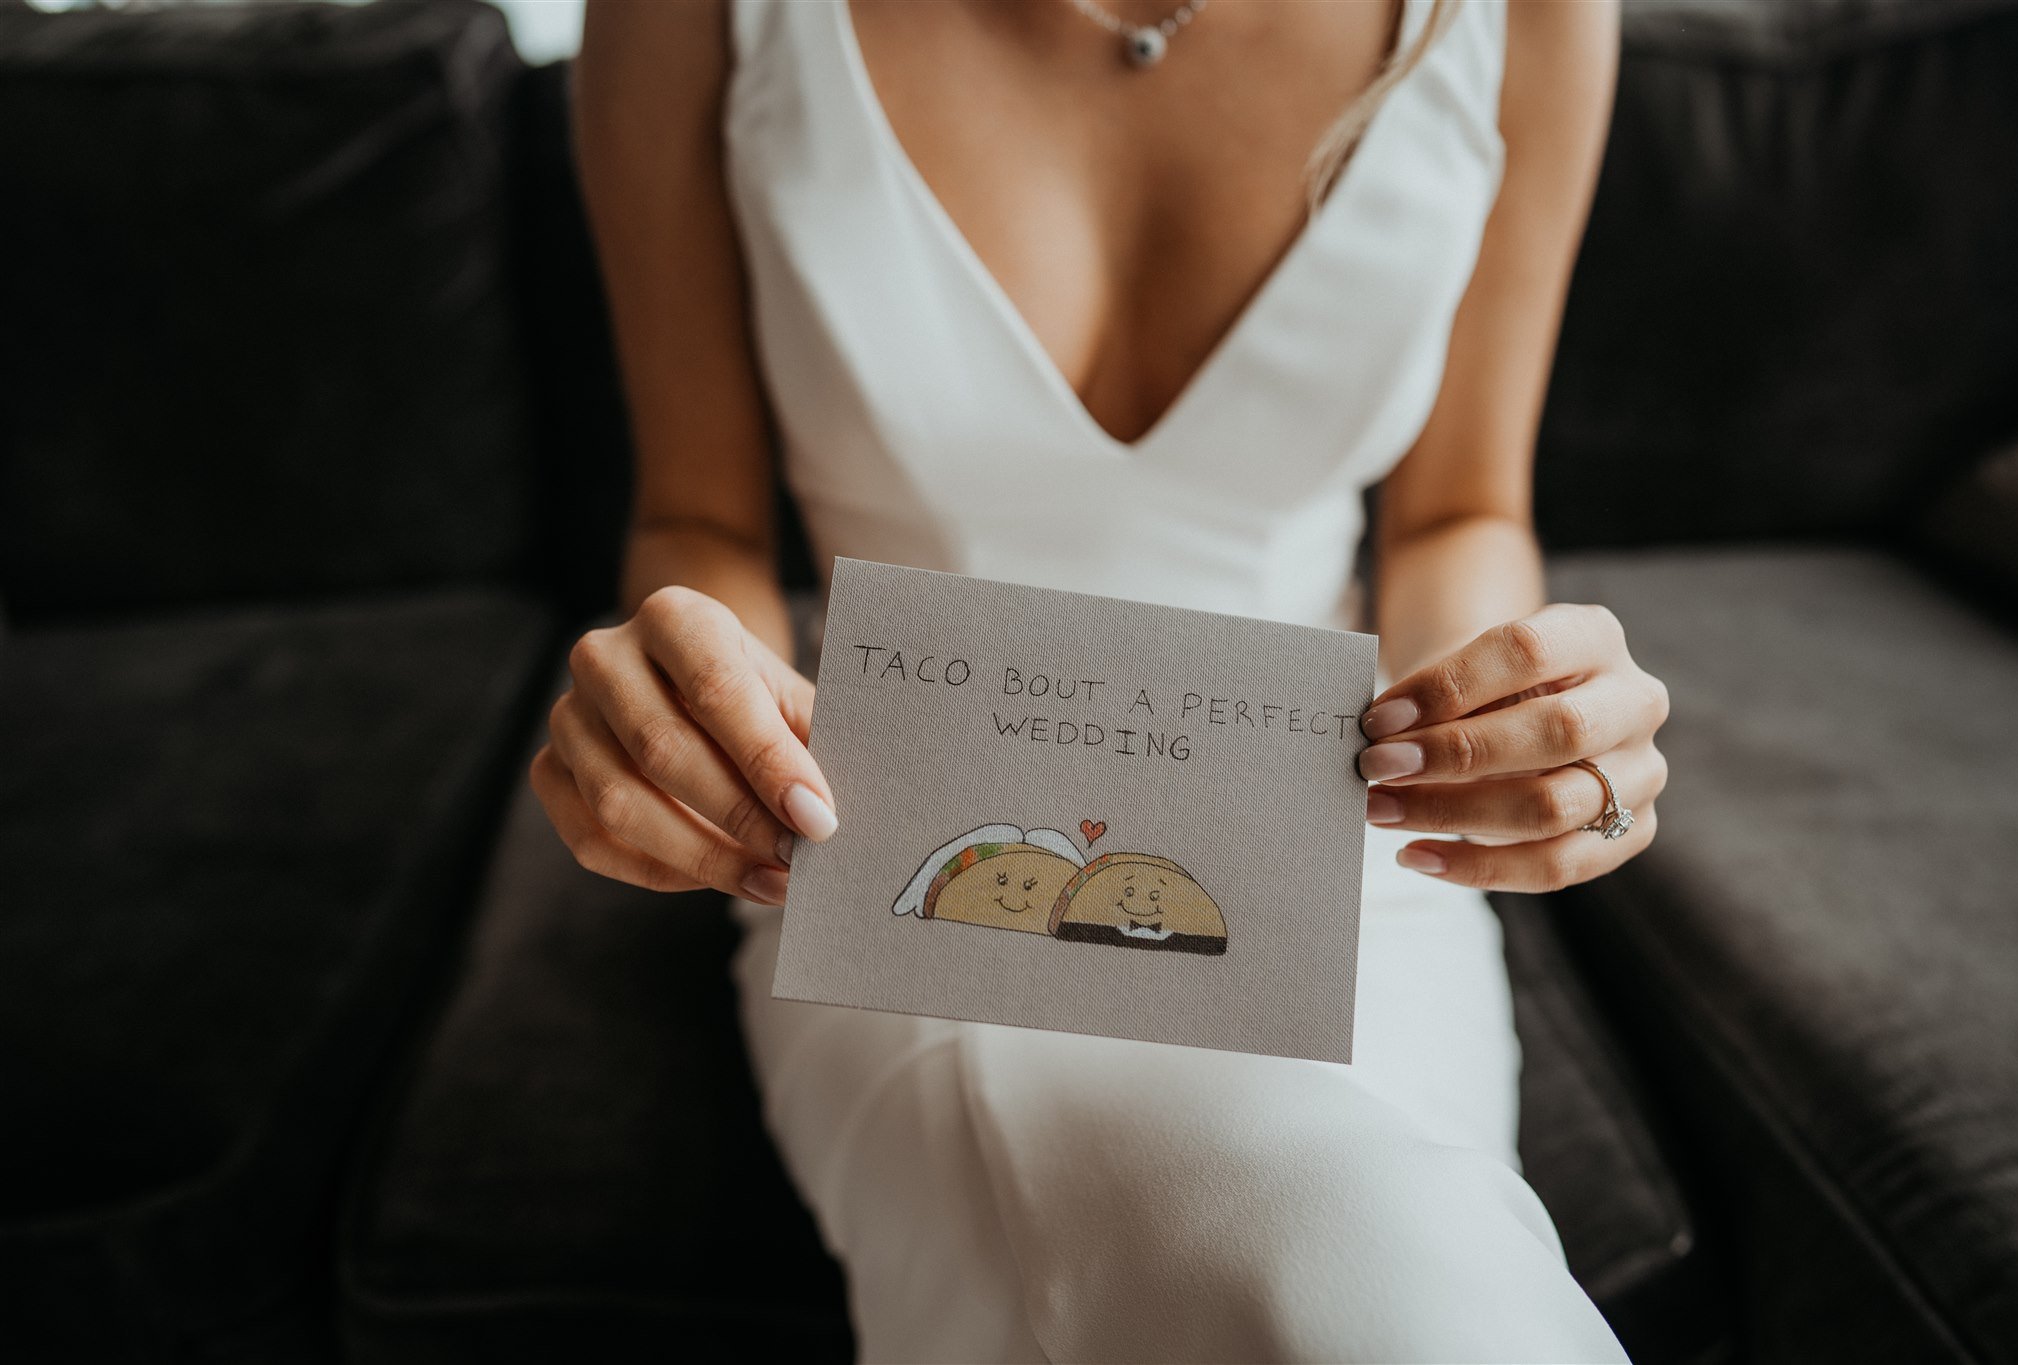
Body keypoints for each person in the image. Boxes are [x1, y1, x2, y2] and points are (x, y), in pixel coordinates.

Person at [533, 0, 1668, 1359]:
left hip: (1339, 862)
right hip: (913, 861)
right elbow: (698, 517)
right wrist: (686, 691)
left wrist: (1501, 715)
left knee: (1404, 1242)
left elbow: (1459, 513)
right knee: (1356, 1255)